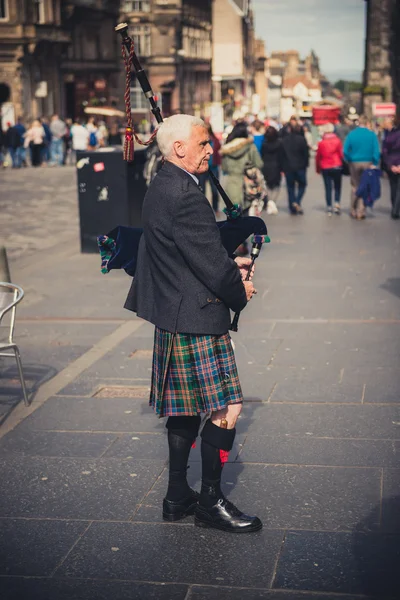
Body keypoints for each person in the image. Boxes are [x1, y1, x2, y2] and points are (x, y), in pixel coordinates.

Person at [125, 114, 262, 533]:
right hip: (196, 315)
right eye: (203, 143)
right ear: (179, 147)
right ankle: (210, 502)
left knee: (184, 409)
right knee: (228, 407)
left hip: (174, 310)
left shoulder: (162, 183)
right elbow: (211, 268)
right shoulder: (185, 194)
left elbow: (187, 250)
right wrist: (239, 287)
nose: (210, 149)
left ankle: (176, 495)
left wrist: (225, 261)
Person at [344, 115, 380, 220]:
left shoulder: (352, 134)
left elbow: (345, 150)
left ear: (358, 123)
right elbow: (376, 150)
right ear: (367, 123)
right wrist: (374, 162)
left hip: (354, 162)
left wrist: (349, 159)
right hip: (368, 162)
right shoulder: (371, 135)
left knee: (355, 186)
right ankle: (361, 211)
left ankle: (352, 209)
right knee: (365, 186)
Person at [220, 121, 263, 209]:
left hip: (232, 184)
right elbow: (259, 164)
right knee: (247, 217)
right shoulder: (251, 146)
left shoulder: (226, 149)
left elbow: (224, 168)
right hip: (248, 184)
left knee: (233, 214)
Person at [280, 124, 309, 214]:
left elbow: (282, 156)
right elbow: (306, 154)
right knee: (302, 185)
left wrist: (282, 168)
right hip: (300, 167)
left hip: (288, 167)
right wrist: (305, 165)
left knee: (290, 187)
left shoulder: (284, 140)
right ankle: (297, 201)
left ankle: (292, 205)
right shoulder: (302, 140)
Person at [316, 123, 344, 215]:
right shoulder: (337, 141)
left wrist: (318, 168)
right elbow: (341, 154)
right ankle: (337, 204)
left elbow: (318, 157)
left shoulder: (321, 143)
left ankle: (329, 207)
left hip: (325, 167)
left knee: (328, 187)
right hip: (337, 165)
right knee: (337, 186)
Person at [198, 122, 221, 213]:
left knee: (215, 190)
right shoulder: (199, 141)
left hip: (213, 168)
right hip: (202, 168)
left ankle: (215, 209)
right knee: (202, 189)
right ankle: (203, 210)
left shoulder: (215, 140)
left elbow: (218, 152)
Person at [382, 111, 400, 220]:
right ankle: (396, 210)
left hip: (391, 163)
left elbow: (384, 151)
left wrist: (389, 165)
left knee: (393, 187)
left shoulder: (388, 136)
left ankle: (394, 207)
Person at [261, 126, 282, 214]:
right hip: (276, 166)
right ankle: (272, 201)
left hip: (266, 166)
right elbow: (282, 155)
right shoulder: (279, 144)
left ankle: (269, 201)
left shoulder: (264, 144)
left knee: (267, 185)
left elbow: (262, 155)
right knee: (276, 185)